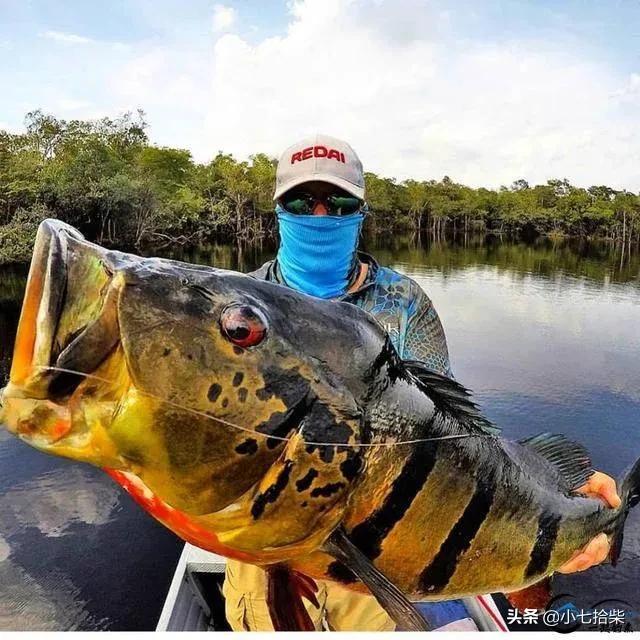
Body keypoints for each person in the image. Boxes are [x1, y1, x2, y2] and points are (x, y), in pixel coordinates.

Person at [222, 134, 620, 631]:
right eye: (302, 201)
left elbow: (453, 437)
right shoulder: (237, 310)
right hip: (262, 540)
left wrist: (558, 490)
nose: (320, 215)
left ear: (360, 213)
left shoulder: (404, 303)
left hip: (377, 549)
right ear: (279, 209)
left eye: (338, 201)